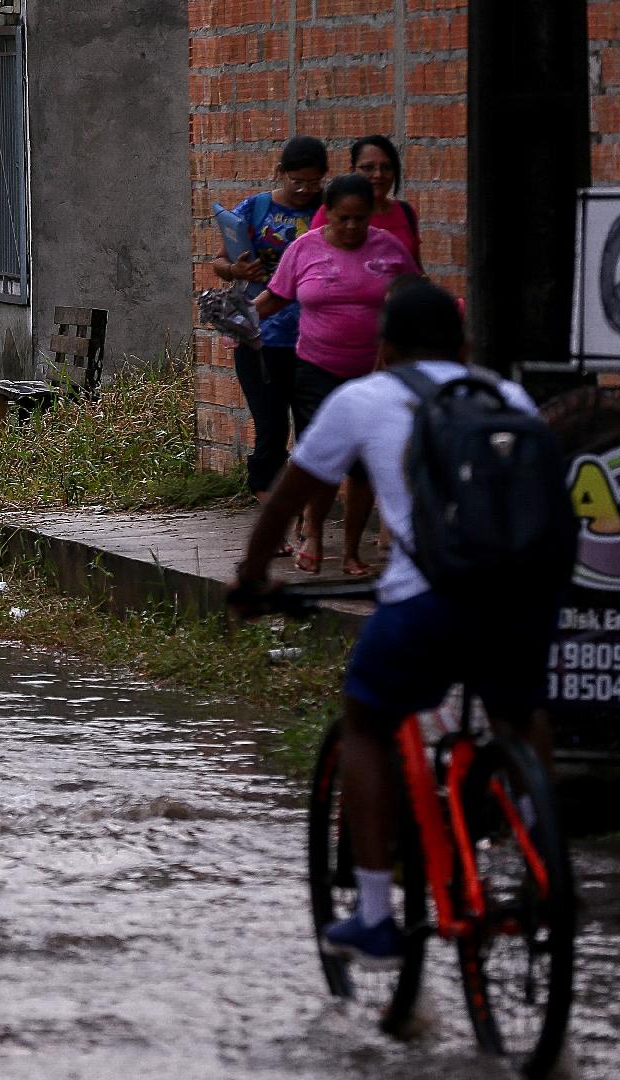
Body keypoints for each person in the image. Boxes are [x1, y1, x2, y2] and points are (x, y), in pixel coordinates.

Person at [229, 281, 557, 964]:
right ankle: (540, 859)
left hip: (426, 603)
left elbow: (288, 499)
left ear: (383, 350)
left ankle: (376, 915)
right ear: (464, 349)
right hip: (518, 601)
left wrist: (252, 581)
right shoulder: (509, 399)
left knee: (367, 721)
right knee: (518, 714)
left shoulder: (365, 398)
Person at [256, 173, 420, 576]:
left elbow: (414, 296)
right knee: (323, 458)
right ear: (327, 213)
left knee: (364, 463)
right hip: (316, 369)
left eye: (360, 219)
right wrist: (239, 320)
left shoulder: (389, 250)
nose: (351, 228)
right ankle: (312, 533)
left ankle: (351, 552)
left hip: (373, 374)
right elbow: (275, 297)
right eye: (343, 218)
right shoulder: (304, 250)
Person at [209, 135, 326, 511]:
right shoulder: (255, 208)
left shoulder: (329, 212)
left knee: (314, 432)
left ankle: (309, 516)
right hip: (262, 340)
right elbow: (220, 263)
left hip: (316, 341)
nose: (306, 189)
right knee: (272, 431)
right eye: (298, 181)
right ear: (281, 173)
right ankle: (271, 509)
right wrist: (237, 269)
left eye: (314, 182)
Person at [311, 135, 419, 266]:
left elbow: (416, 267)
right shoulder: (331, 214)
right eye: (368, 168)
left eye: (386, 167)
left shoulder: (405, 212)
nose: (378, 174)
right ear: (352, 170)